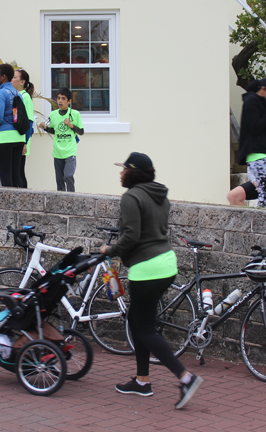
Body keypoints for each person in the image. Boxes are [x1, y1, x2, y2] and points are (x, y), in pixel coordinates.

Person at [101, 152, 203, 409]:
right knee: (138, 321)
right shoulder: (161, 196)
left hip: (146, 268)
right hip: (166, 264)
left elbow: (131, 236)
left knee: (144, 328)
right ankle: (142, 381)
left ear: (132, 172)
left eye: (124, 169)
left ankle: (186, 377)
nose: (121, 173)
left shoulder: (131, 197)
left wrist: (109, 250)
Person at [236, 77, 266, 209]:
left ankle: (259, 220)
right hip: (259, 156)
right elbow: (255, 127)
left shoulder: (264, 105)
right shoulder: (251, 101)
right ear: (263, 89)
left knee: (265, 197)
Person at [38, 88, 83, 192]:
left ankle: (72, 196)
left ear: (69, 101)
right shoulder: (53, 114)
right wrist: (45, 128)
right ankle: (61, 199)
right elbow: (54, 131)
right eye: (58, 98)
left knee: (68, 176)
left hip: (70, 151)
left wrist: (71, 125)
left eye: (63, 98)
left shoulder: (75, 114)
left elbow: (81, 131)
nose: (60, 101)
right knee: (59, 180)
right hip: (57, 151)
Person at [0, 64, 23, 187]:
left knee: (5, 175)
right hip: (18, 138)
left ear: (4, 77)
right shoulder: (18, 93)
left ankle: (8, 200)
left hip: (4, 138)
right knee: (16, 174)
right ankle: (20, 198)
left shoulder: (1, 93)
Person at [11, 69, 34, 188]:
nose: (12, 79)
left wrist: (25, 142)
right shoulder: (16, 95)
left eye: (15, 77)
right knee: (14, 171)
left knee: (19, 172)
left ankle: (24, 195)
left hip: (22, 140)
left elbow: (29, 121)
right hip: (15, 139)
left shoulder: (25, 97)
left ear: (22, 81)